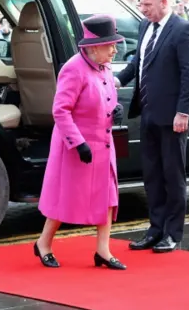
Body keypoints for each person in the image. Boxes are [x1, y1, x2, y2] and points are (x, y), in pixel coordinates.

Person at [35, 15, 127, 270]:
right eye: (110, 45)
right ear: (94, 46)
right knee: (64, 198)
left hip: (103, 144)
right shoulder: (73, 69)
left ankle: (103, 250)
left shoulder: (104, 67)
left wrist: (116, 108)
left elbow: (105, 99)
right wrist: (78, 143)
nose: (115, 49)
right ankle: (43, 243)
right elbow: (60, 110)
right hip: (76, 146)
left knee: (108, 197)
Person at [115, 0, 189, 253]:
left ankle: (172, 233)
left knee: (172, 175)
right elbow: (137, 62)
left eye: (147, 5)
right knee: (152, 175)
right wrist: (118, 80)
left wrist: (183, 111)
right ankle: (155, 229)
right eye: (141, 4)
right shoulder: (145, 27)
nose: (142, 10)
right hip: (148, 112)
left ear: (164, 3)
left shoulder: (183, 30)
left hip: (172, 116)